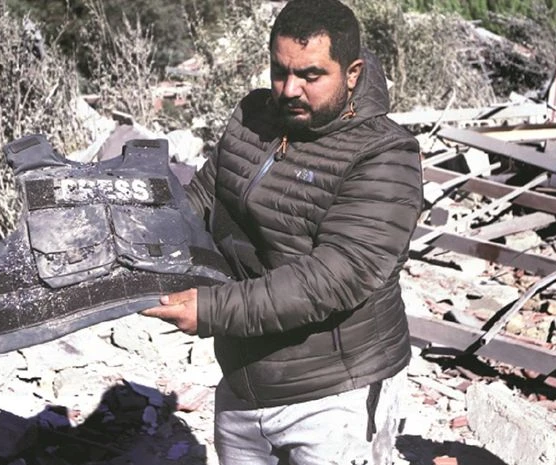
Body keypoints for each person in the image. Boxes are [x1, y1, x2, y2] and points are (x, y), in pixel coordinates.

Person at [142, 0, 423, 463]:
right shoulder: (255, 116)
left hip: (335, 395)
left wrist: (211, 310)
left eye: (311, 76)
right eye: (279, 70)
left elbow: (333, 277)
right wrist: (132, 250)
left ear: (352, 73)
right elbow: (203, 200)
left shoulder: (385, 154)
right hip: (244, 378)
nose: (289, 89)